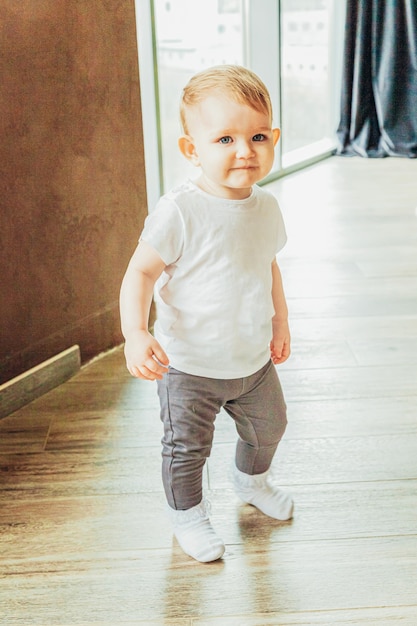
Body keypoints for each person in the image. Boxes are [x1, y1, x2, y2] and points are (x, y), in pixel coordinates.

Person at [119, 65, 293, 563]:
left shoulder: (267, 207)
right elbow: (140, 273)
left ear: (273, 137)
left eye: (258, 136)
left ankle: (251, 480)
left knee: (271, 426)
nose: (245, 150)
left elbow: (269, 265)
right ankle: (188, 516)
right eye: (225, 138)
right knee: (186, 449)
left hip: (253, 360)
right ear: (192, 150)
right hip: (189, 365)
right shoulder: (180, 211)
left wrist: (280, 321)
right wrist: (135, 332)